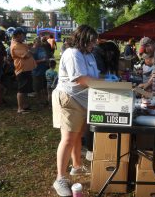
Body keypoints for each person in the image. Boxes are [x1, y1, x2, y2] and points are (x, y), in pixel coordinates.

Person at [52, 25, 118, 196]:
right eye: (92, 41)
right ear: (82, 39)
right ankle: (60, 178)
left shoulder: (88, 54)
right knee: (67, 139)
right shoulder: (73, 53)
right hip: (70, 99)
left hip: (83, 100)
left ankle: (76, 167)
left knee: (78, 135)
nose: (94, 44)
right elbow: (81, 78)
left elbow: (93, 76)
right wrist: (107, 85)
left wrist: (106, 79)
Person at [10, 28, 37, 114]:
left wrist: (33, 47)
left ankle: (25, 106)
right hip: (22, 70)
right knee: (21, 90)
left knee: (25, 90)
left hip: (26, 70)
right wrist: (33, 48)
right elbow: (27, 55)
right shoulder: (15, 46)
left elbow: (32, 51)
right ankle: (20, 108)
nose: (24, 37)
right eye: (23, 35)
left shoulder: (20, 44)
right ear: (18, 35)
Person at [31, 37, 48, 104]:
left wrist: (47, 60)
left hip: (43, 70)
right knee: (37, 88)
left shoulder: (42, 48)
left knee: (44, 87)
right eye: (38, 42)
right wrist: (42, 60)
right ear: (34, 42)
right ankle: (39, 100)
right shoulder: (32, 50)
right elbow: (32, 61)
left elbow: (45, 56)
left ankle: (44, 99)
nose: (40, 43)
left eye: (40, 42)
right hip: (36, 71)